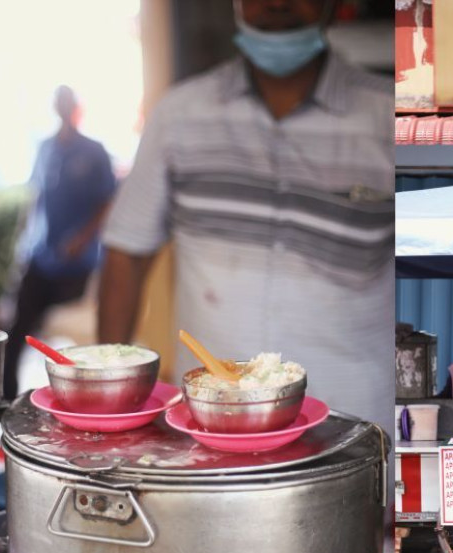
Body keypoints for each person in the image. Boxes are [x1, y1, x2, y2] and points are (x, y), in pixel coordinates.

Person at [98, 0, 393, 431]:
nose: (276, 3)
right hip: (211, 425)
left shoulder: (390, 119)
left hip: (353, 431)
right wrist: (110, 402)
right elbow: (127, 252)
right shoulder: (179, 115)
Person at [3, 85, 116, 399]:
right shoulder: (45, 148)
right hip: (39, 258)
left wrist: (81, 239)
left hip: (75, 266)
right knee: (15, 335)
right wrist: (22, 242)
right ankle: (7, 402)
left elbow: (107, 201)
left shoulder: (94, 151)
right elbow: (35, 198)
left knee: (69, 345)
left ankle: (81, 402)